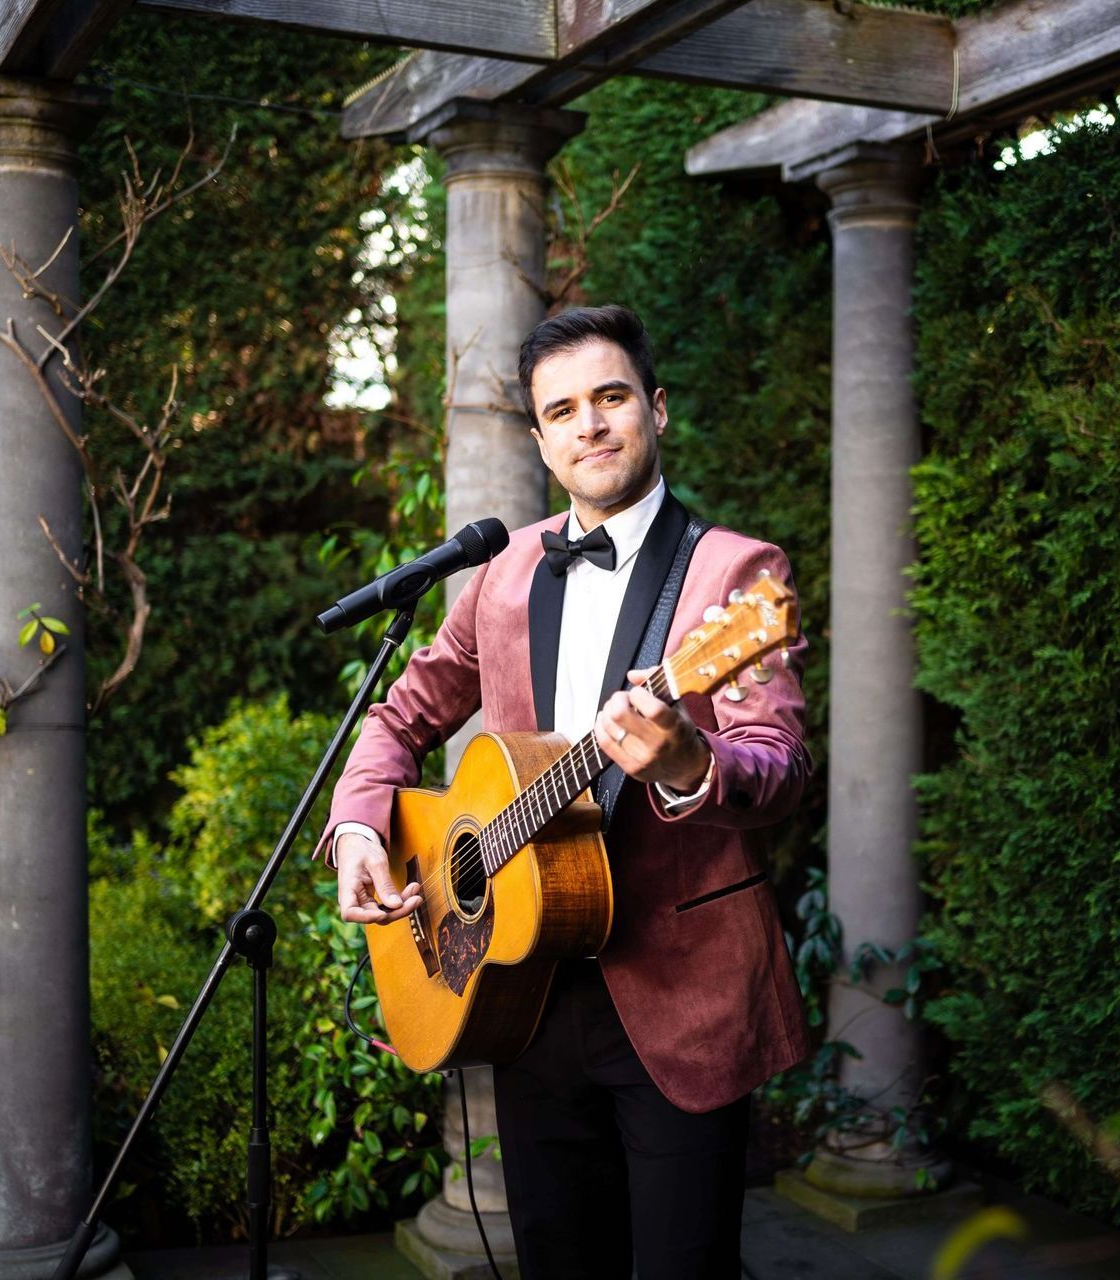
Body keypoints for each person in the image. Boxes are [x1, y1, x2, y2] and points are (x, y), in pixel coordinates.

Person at [317, 305, 812, 1280]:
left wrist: (687, 763)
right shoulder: (501, 573)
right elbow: (397, 715)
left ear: (655, 411)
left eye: (611, 397)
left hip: (682, 994)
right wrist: (359, 828)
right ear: (540, 440)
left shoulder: (734, 574)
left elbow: (782, 760)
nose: (589, 424)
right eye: (563, 409)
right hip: (523, 989)